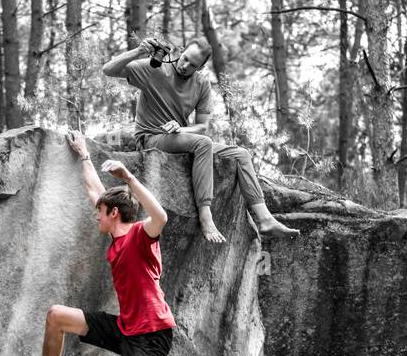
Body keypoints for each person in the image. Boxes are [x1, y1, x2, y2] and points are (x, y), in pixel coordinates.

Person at [16, 129, 232, 356]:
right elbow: (94, 190)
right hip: (127, 328)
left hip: (150, 336)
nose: (96, 215)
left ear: (114, 213)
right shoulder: (116, 235)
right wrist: (83, 153)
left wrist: (128, 176)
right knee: (57, 316)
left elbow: (160, 216)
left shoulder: (141, 235)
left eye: (100, 212)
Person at [102, 35, 299, 245]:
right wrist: (139, 51)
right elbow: (108, 69)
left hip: (179, 137)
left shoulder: (202, 84)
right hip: (152, 138)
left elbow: (202, 126)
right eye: (185, 58)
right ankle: (206, 215)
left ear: (201, 67)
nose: (185, 65)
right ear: (181, 51)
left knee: (241, 154)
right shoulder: (154, 68)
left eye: (192, 64)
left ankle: (265, 218)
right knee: (202, 143)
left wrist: (182, 128)